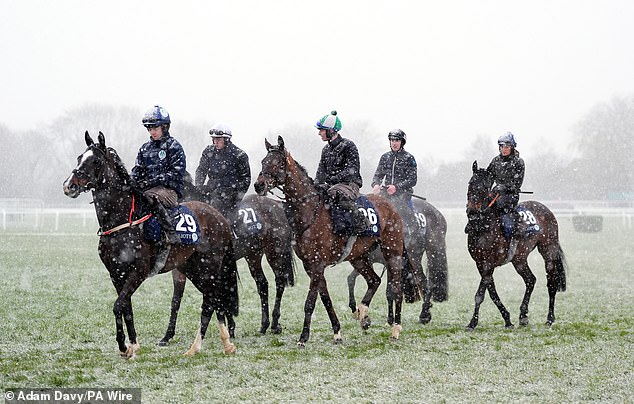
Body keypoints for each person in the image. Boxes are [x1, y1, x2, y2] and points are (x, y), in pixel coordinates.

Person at [131, 105, 186, 272]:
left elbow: (176, 173)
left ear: (165, 126)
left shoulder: (174, 146)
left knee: (151, 198)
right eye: (149, 128)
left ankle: (170, 234)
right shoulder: (144, 148)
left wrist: (150, 181)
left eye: (155, 128)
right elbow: (137, 170)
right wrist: (131, 181)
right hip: (149, 190)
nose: (152, 132)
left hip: (169, 192)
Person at [314, 110, 369, 235]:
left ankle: (361, 222)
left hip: (350, 185)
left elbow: (353, 170)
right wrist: (316, 184)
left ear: (331, 130)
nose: (319, 133)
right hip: (332, 185)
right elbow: (320, 172)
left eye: (322, 130)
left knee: (335, 193)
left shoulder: (349, 146)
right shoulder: (326, 149)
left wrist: (333, 179)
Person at [195, 122, 251, 227]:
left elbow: (246, 179)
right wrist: (198, 186)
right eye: (214, 139)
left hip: (229, 193)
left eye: (219, 140)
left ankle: (229, 230)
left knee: (216, 203)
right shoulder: (208, 152)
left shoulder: (239, 155)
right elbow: (201, 170)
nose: (215, 142)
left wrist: (237, 197)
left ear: (227, 140)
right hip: (211, 189)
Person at [371, 129, 419, 239]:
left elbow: (412, 180)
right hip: (385, 193)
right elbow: (377, 175)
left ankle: (412, 234)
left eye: (397, 140)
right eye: (392, 140)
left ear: (402, 142)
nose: (394, 143)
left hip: (403, 194)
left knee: (400, 207)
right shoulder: (385, 157)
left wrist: (396, 187)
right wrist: (376, 184)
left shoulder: (409, 158)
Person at [486, 131, 525, 256]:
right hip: (496, 194)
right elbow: (488, 179)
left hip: (510, 196)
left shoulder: (518, 162)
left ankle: (515, 234)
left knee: (505, 218)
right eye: (502, 146)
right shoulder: (495, 161)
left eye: (507, 146)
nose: (504, 149)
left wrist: (503, 187)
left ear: (512, 147)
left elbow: (517, 184)